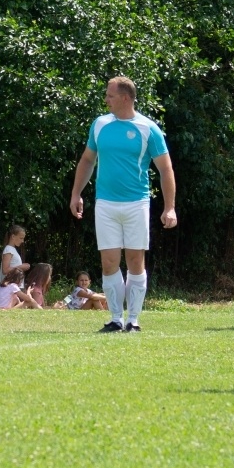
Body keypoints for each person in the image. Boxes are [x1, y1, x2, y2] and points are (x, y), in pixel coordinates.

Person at [68, 75, 178, 333]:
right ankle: (116, 318)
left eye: (110, 95)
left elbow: (165, 169)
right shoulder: (100, 124)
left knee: (135, 260)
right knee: (109, 262)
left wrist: (170, 207)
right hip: (105, 203)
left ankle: (133, 319)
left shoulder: (148, 129)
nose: (106, 99)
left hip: (136, 203)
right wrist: (76, 193)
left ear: (125, 98)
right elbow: (87, 160)